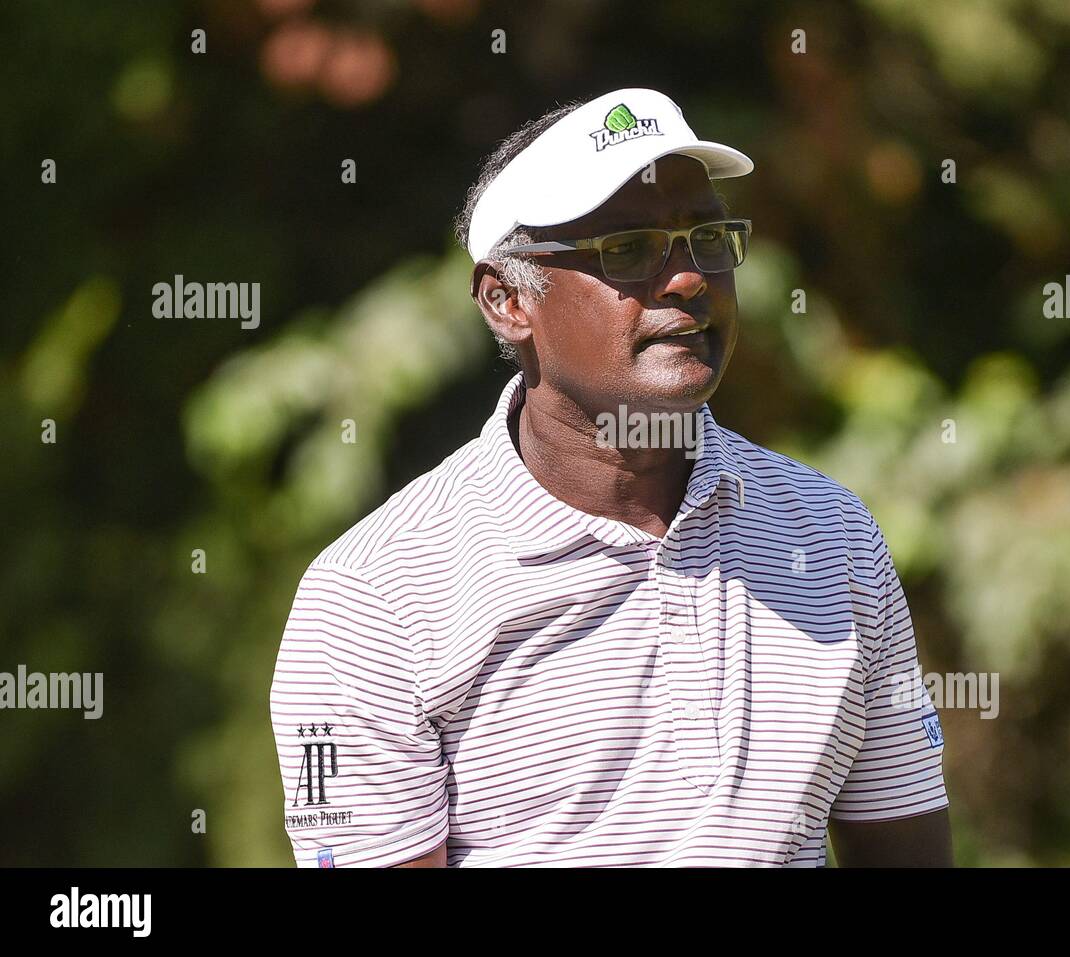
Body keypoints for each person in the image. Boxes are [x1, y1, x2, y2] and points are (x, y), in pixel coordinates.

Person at [270, 87, 952, 867]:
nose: (689, 280)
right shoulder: (373, 597)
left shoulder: (830, 534)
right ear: (506, 301)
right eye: (628, 249)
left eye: (707, 239)